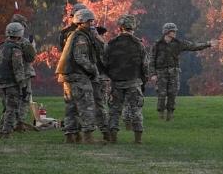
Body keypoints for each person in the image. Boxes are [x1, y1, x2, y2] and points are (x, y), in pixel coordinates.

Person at [150, 23, 213, 121]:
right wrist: (153, 74)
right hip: (161, 73)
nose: (175, 33)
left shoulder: (178, 43)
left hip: (174, 72)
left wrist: (208, 44)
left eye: (175, 31)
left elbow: (193, 46)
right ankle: (161, 115)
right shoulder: (157, 44)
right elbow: (152, 59)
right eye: (173, 31)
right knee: (161, 94)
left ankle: (170, 115)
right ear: (166, 32)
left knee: (172, 93)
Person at [56, 9, 100, 144]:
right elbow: (80, 58)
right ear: (82, 22)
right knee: (87, 105)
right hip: (77, 75)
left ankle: (70, 136)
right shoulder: (81, 37)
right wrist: (93, 70)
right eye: (89, 21)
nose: (92, 24)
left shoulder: (74, 34)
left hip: (69, 75)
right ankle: (88, 137)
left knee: (71, 107)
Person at [104, 15, 151, 144]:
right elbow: (145, 65)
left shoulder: (111, 44)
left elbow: (105, 63)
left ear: (120, 28)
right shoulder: (138, 44)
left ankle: (113, 137)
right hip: (134, 81)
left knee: (114, 110)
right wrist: (144, 79)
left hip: (117, 82)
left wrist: (111, 76)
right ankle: (138, 139)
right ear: (133, 27)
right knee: (136, 110)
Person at [0, 22, 28, 139]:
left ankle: (0, 131)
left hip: (0, 81)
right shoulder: (15, 49)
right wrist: (22, 85)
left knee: (6, 108)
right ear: (20, 34)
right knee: (12, 108)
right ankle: (6, 133)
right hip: (11, 82)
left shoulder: (1, 46)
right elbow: (18, 68)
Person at [9, 14, 37, 131]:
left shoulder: (6, 41)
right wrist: (32, 45)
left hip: (10, 74)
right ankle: (19, 123)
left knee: (11, 99)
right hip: (23, 74)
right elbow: (31, 57)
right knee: (24, 97)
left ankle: (10, 121)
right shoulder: (24, 42)